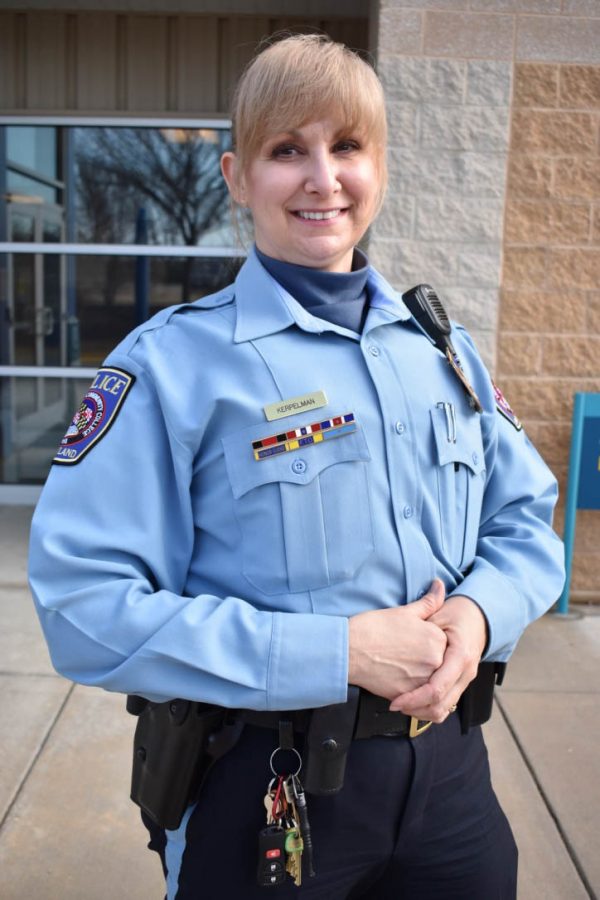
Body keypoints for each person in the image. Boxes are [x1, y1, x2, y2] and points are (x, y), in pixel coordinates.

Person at [29, 34, 565, 899]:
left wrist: (475, 614)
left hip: (452, 784)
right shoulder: (171, 366)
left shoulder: (441, 348)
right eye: (288, 151)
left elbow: (523, 521)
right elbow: (83, 608)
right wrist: (336, 649)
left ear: (378, 168)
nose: (323, 179)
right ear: (239, 178)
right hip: (270, 792)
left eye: (347, 147)